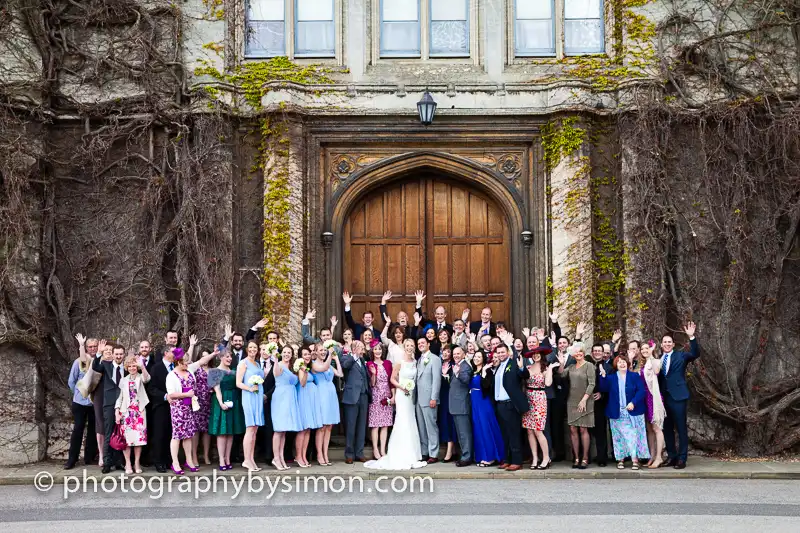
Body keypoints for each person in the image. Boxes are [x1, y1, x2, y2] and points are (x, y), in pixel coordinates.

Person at [364, 339, 428, 470]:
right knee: (402, 420)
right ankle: (399, 452)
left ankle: (412, 453)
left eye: (412, 345)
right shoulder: (399, 362)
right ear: (404, 347)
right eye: (407, 346)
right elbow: (392, 379)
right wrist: (402, 387)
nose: (410, 348)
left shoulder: (415, 362)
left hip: (411, 395)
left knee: (411, 420)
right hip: (401, 393)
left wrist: (409, 388)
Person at [658, 322, 699, 469]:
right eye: (665, 342)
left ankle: (682, 458)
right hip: (663, 398)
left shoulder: (681, 356)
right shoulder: (658, 359)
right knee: (666, 428)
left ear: (673, 344)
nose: (667, 344)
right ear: (661, 345)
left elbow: (695, 354)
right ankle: (672, 456)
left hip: (678, 397)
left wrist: (691, 337)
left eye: (669, 342)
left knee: (681, 428)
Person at [598, 356, 650, 469]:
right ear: (616, 365)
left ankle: (635, 459)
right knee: (618, 437)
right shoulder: (611, 378)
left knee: (632, 436)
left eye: (624, 362)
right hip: (617, 412)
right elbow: (603, 388)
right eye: (619, 362)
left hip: (633, 411)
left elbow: (641, 391)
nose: (622, 364)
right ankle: (620, 459)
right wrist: (602, 376)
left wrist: (633, 402)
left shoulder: (634, 376)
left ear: (627, 363)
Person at [491, 344, 529, 471]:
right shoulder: (498, 366)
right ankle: (507, 459)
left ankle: (517, 461)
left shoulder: (513, 364)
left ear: (508, 352)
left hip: (510, 404)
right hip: (500, 405)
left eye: (503, 352)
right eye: (499, 352)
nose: (501, 354)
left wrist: (522, 367)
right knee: (505, 434)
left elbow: (524, 375)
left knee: (514, 433)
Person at [93, 342, 128, 473]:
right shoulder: (105, 365)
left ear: (124, 355)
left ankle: (119, 462)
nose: (118, 356)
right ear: (112, 355)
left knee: (121, 433)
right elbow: (95, 367)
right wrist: (98, 354)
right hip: (109, 404)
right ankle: (107, 462)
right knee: (108, 432)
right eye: (116, 354)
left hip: (124, 405)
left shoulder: (126, 368)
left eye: (120, 354)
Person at [208, 349, 245, 471]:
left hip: (234, 400)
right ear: (220, 357)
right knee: (222, 432)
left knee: (231, 432)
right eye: (227, 357)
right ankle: (221, 459)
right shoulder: (214, 371)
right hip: (221, 401)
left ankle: (228, 458)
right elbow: (216, 390)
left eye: (230, 357)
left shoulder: (234, 372)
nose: (229, 359)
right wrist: (221, 403)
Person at [560, 343, 595, 469]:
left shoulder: (589, 366)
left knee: (583, 429)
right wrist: (561, 363)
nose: (578, 353)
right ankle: (576, 458)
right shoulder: (571, 367)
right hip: (572, 401)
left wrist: (584, 399)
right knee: (573, 429)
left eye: (580, 351)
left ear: (583, 352)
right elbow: (561, 375)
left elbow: (592, 384)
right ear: (573, 355)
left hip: (585, 400)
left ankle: (585, 458)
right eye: (576, 352)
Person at [114, 354, 150, 474]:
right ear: (127, 367)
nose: (132, 368)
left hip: (139, 412)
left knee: (138, 439)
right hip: (126, 413)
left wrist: (142, 366)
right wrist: (117, 412)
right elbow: (120, 397)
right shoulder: (123, 380)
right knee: (127, 440)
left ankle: (137, 463)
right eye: (130, 366)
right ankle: (128, 463)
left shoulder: (141, 377)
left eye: (134, 366)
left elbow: (147, 378)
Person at [66, 334, 98, 469]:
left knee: (93, 430)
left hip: (94, 403)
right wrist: (79, 394)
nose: (92, 349)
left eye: (94, 346)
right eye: (90, 347)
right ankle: (71, 460)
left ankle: (89, 458)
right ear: (86, 348)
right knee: (78, 429)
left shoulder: (100, 362)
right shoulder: (78, 362)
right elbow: (71, 381)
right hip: (80, 402)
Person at [166, 348, 199, 475]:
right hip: (178, 409)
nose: (187, 364)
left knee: (188, 435)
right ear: (178, 362)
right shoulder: (171, 376)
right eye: (185, 362)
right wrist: (186, 394)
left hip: (189, 408)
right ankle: (175, 462)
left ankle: (189, 461)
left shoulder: (189, 371)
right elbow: (171, 394)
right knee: (177, 435)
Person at [469, 351, 504, 466]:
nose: (476, 358)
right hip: (474, 403)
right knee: (478, 429)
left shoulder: (487, 371)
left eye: (479, 357)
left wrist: (484, 372)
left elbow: (486, 386)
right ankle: (482, 456)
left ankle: (491, 457)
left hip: (483, 402)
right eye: (475, 356)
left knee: (486, 428)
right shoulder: (472, 371)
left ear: (483, 359)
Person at [522, 346, 554, 469]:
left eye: (538, 354)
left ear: (541, 355)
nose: (535, 356)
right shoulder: (528, 368)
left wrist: (550, 370)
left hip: (540, 398)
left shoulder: (545, 368)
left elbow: (548, 383)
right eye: (533, 354)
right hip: (528, 398)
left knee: (538, 430)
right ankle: (535, 458)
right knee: (529, 430)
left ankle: (546, 457)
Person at [313, 342, 343, 465]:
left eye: (325, 350)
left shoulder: (329, 364)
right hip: (321, 394)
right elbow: (323, 368)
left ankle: (326, 453)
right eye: (321, 350)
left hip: (331, 394)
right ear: (315, 352)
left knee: (329, 426)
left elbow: (340, 374)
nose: (323, 352)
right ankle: (319, 454)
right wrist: (330, 354)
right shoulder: (314, 364)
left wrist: (336, 359)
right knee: (322, 427)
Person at [146, 344, 175, 473]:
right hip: (160, 406)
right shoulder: (156, 368)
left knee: (171, 433)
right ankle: (159, 461)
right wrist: (164, 396)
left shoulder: (176, 367)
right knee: (160, 434)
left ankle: (169, 460)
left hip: (176, 406)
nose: (176, 354)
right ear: (166, 353)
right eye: (173, 352)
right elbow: (151, 388)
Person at [547, 334, 576, 462]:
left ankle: (576, 454)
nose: (562, 344)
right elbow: (553, 376)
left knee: (574, 425)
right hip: (557, 396)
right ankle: (559, 452)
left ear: (568, 344)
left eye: (564, 342)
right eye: (560, 343)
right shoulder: (552, 357)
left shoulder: (574, 358)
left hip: (572, 394)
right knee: (556, 424)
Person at [237, 341, 265, 471]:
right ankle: (246, 460)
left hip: (258, 397)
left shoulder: (258, 363)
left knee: (255, 429)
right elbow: (238, 383)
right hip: (249, 396)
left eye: (255, 347)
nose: (253, 349)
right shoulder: (243, 363)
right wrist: (249, 388)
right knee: (250, 428)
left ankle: (251, 458)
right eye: (251, 347)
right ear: (247, 349)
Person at [341, 340, 370, 463]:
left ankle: (359, 452)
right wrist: (354, 356)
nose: (362, 350)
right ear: (354, 349)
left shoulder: (363, 361)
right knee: (351, 426)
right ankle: (349, 454)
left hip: (363, 396)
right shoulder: (346, 358)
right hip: (351, 397)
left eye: (363, 348)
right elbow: (345, 367)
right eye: (360, 348)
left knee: (361, 426)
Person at [640, 340, 666, 468]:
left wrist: (651, 354)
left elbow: (656, 371)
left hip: (653, 397)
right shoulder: (642, 364)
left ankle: (659, 457)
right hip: (644, 398)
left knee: (657, 428)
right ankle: (651, 456)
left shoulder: (655, 360)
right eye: (643, 349)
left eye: (647, 348)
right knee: (649, 429)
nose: (644, 350)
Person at [415, 336, 442, 463]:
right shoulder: (419, 359)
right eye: (419, 343)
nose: (420, 345)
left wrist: (434, 398)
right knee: (422, 427)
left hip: (429, 399)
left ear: (428, 344)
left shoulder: (435, 359)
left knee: (431, 427)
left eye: (423, 343)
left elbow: (437, 380)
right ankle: (424, 451)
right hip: (419, 399)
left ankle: (434, 453)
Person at [295, 346, 322, 467]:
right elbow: (302, 383)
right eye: (304, 354)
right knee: (303, 429)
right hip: (304, 398)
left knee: (308, 430)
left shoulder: (310, 367)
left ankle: (304, 456)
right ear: (300, 356)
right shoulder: (301, 368)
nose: (307, 356)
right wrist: (305, 371)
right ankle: (298, 456)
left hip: (311, 400)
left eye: (308, 354)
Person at [366, 343, 393, 460]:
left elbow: (391, 381)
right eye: (375, 349)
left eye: (379, 349)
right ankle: (375, 449)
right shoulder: (369, 364)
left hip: (386, 395)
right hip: (376, 396)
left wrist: (393, 396)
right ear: (372, 351)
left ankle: (383, 449)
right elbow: (372, 384)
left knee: (385, 425)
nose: (378, 351)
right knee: (375, 425)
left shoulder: (387, 363)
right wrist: (373, 374)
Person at [449, 346, 473, 466]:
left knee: (465, 433)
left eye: (458, 353)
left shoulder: (465, 366)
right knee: (460, 433)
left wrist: (457, 374)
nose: (456, 356)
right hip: (456, 405)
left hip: (462, 405)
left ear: (464, 354)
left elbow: (466, 380)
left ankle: (467, 457)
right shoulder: (457, 366)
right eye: (454, 354)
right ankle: (464, 454)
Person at [589, 343, 612, 466]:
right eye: (595, 351)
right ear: (592, 353)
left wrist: (602, 395)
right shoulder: (587, 365)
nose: (597, 352)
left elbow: (612, 386)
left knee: (600, 431)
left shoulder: (609, 368)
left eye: (599, 351)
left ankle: (602, 458)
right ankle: (586, 457)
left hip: (601, 403)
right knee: (587, 430)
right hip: (587, 402)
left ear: (603, 353)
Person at [438, 345, 458, 462]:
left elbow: (454, 382)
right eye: (443, 351)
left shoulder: (453, 365)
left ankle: (449, 451)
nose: (445, 353)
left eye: (448, 351)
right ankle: (453, 450)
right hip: (442, 396)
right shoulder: (440, 363)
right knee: (444, 421)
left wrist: (446, 375)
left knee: (449, 422)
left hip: (450, 396)